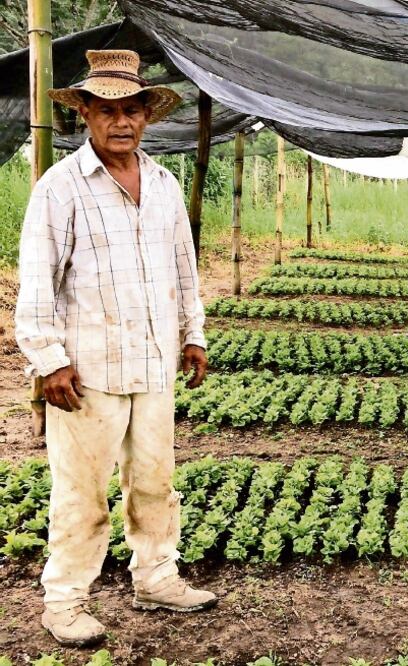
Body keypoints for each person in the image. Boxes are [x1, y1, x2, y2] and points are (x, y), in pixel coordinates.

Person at [15, 49, 216, 648]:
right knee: (81, 491)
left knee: (155, 479)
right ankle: (65, 602)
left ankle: (156, 576)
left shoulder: (162, 184)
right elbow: (37, 280)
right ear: (85, 115)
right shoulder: (61, 188)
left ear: (147, 117)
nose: (121, 122)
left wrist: (193, 334)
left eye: (131, 110)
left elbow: (185, 270)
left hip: (153, 364)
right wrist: (48, 360)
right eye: (107, 111)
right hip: (87, 372)